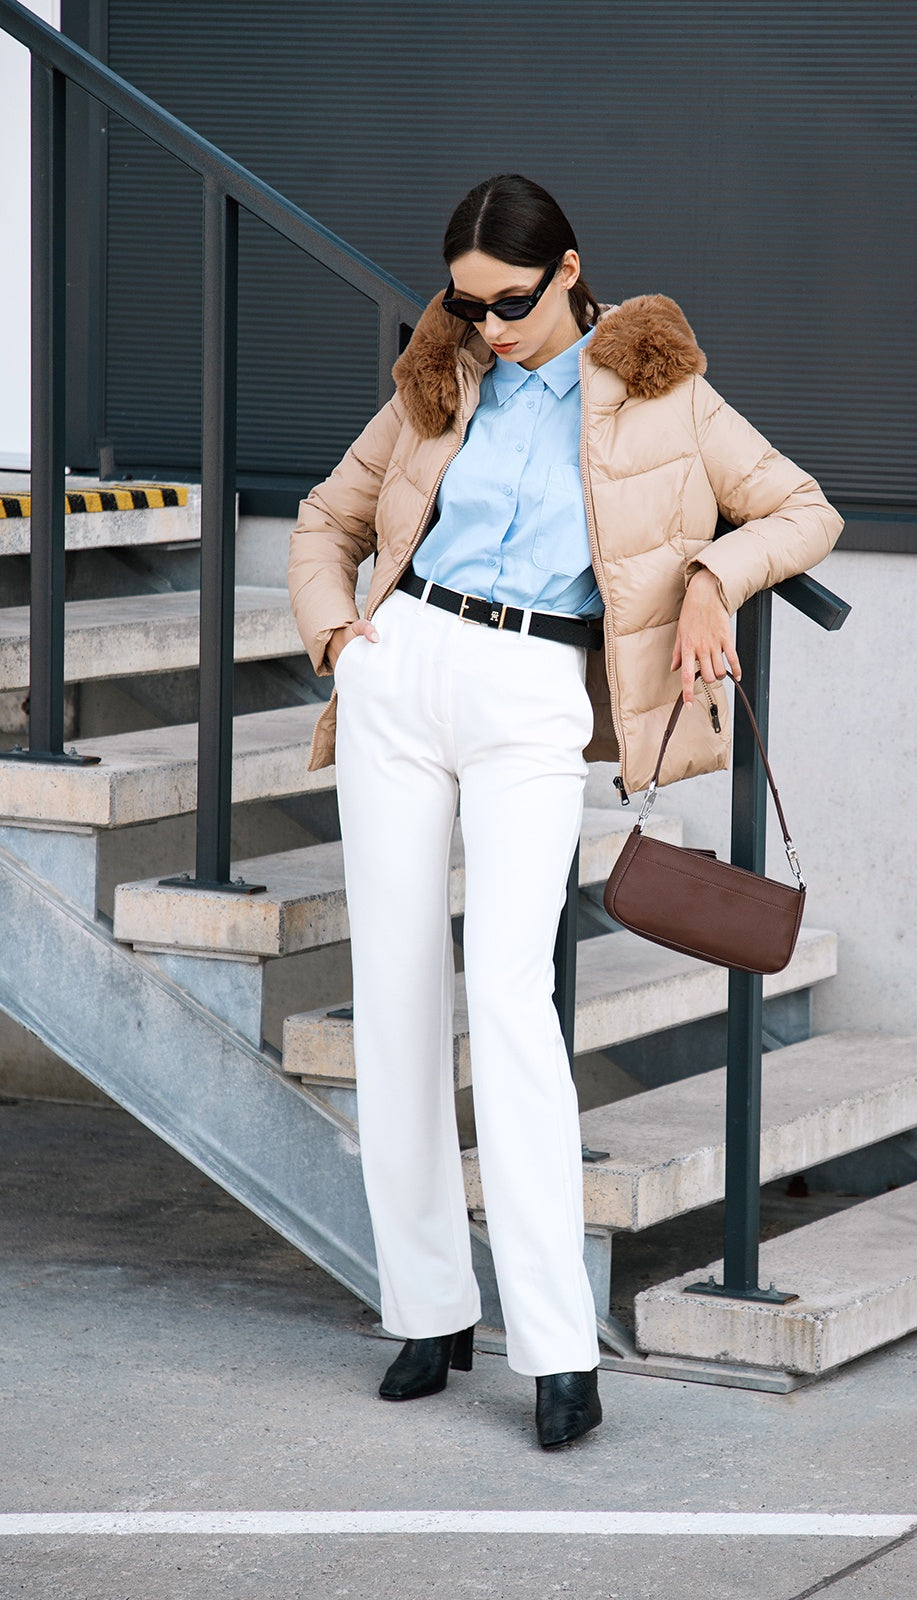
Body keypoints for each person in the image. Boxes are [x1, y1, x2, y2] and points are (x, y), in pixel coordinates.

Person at [288, 173, 843, 1449]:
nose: (487, 328)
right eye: (466, 305)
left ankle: (554, 1344)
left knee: (510, 999)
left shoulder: (659, 389)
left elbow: (804, 507)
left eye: (512, 303)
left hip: (537, 687)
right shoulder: (440, 376)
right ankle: (427, 1307)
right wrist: (340, 640)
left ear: (572, 273)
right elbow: (329, 519)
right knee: (395, 992)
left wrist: (711, 575)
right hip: (403, 670)